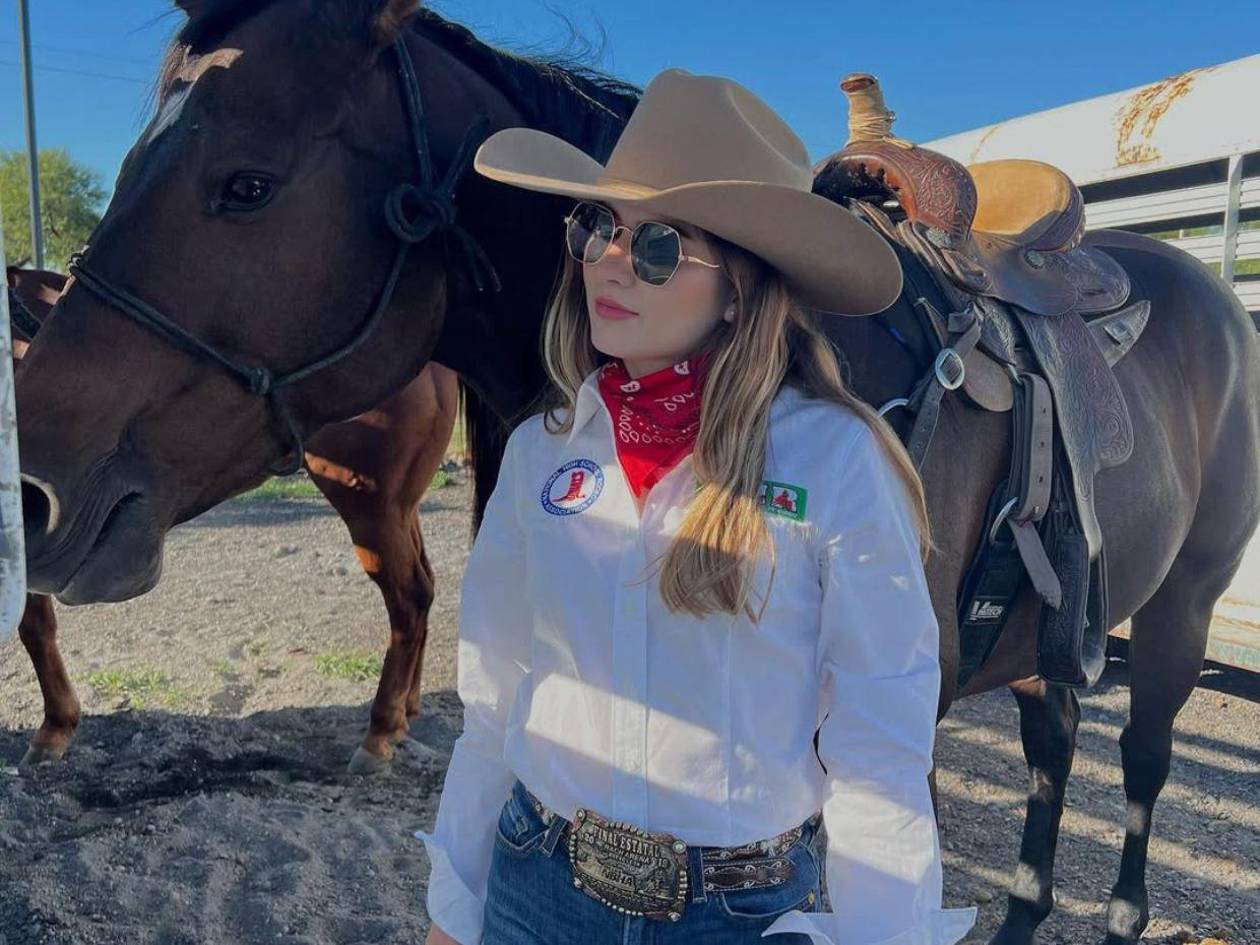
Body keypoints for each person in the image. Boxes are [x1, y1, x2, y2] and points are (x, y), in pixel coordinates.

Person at [416, 68, 978, 945]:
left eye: (657, 247)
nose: (609, 262)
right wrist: (454, 904)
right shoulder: (541, 452)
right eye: (597, 227)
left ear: (739, 289)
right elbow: (494, 698)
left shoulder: (838, 461)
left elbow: (879, 746)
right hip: (534, 885)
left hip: (736, 915)